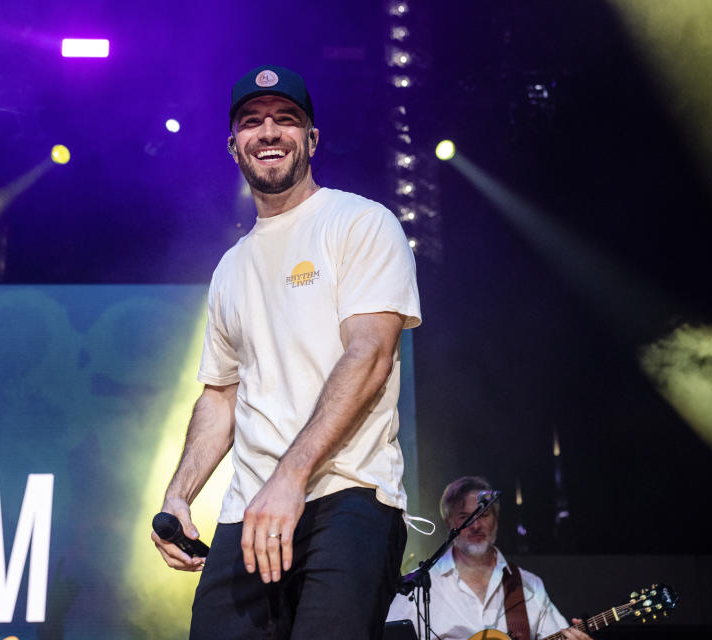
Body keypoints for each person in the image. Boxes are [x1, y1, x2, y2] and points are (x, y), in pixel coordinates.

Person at [151, 64, 421, 640]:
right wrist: (179, 493)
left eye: (286, 120)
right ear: (233, 146)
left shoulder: (361, 223)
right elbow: (220, 396)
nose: (268, 132)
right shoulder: (230, 268)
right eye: (252, 122)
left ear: (312, 139)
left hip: (346, 494)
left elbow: (369, 355)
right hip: (246, 514)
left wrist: (290, 476)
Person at [387, 476, 592, 640]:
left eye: (484, 515)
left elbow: (558, 633)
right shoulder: (419, 585)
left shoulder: (529, 585)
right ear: (450, 523)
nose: (476, 525)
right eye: (465, 517)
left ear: (496, 519)